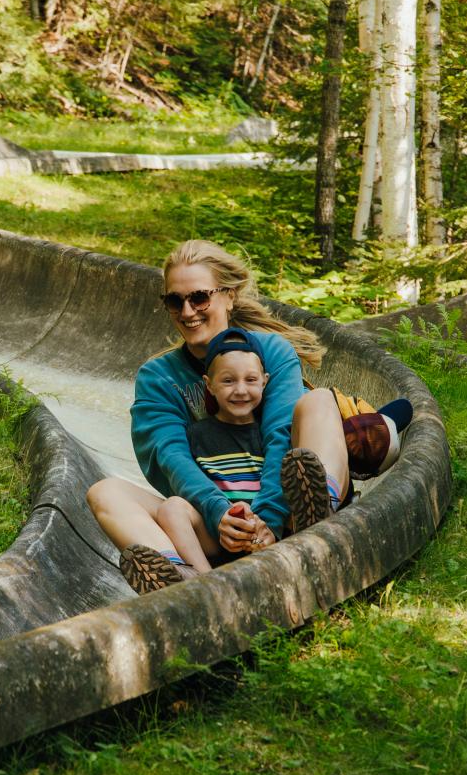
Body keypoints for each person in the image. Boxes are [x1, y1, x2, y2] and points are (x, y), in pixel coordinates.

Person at [87, 239, 359, 594]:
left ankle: (319, 512)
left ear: (228, 296)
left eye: (199, 297)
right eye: (174, 301)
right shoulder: (159, 377)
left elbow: (281, 433)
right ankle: (185, 582)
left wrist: (268, 520)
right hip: (212, 524)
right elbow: (173, 461)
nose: (187, 312)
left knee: (319, 401)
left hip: (284, 510)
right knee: (104, 492)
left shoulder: (271, 352)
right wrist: (220, 516)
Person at [150, 327, 272, 580]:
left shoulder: (268, 432)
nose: (240, 390)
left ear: (265, 382)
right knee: (172, 507)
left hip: (263, 532)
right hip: (216, 534)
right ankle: (204, 581)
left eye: (250, 380)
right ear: (210, 385)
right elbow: (190, 488)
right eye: (228, 381)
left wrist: (258, 524)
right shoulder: (196, 434)